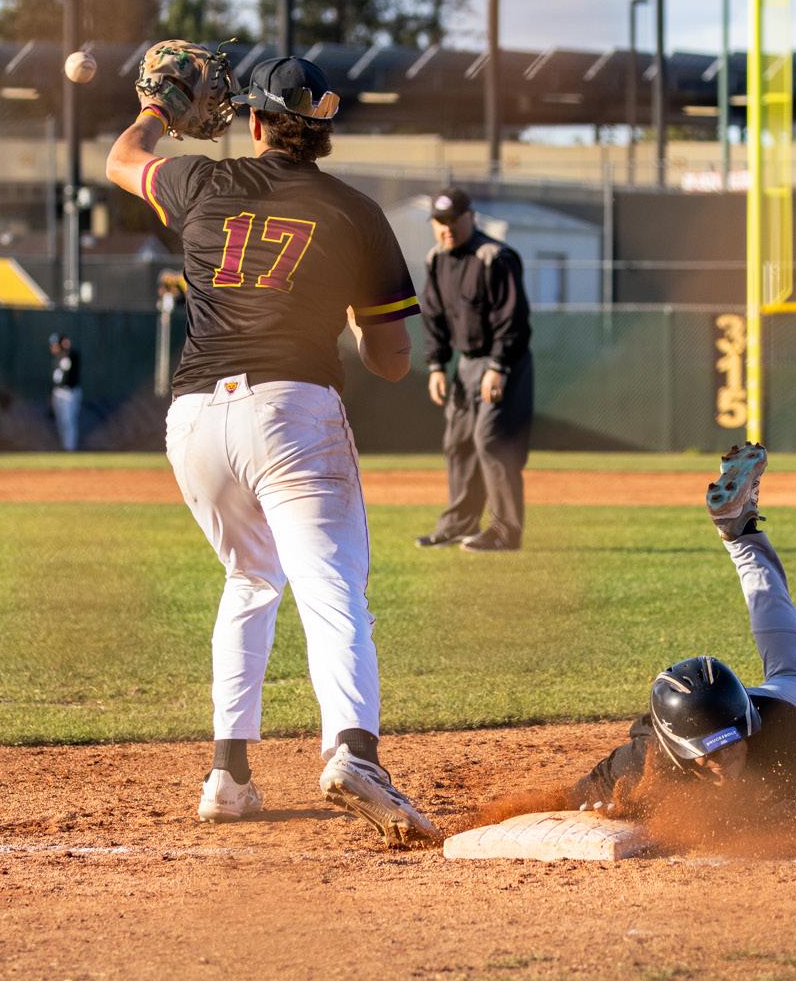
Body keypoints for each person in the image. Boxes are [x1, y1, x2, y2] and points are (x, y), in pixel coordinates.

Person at [104, 51, 441, 848]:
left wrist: (160, 108)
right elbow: (393, 362)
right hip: (293, 408)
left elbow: (121, 160)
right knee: (331, 585)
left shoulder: (200, 182)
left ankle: (228, 778)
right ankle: (354, 752)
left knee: (250, 577)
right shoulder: (355, 212)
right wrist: (353, 312)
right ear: (322, 130)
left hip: (194, 417)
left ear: (253, 120)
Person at [570, 443, 796, 816]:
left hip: (780, 705)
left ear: (746, 724)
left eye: (732, 743)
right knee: (791, 669)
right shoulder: (643, 763)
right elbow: (570, 800)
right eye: (710, 752)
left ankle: (742, 537)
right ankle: (740, 535)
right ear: (678, 749)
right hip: (742, 710)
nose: (725, 760)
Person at [415, 187, 534, 553]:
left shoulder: (494, 257)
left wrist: (498, 367)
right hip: (465, 364)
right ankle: (459, 525)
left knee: (491, 440)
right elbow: (433, 316)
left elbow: (513, 319)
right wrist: (436, 365)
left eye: (454, 220)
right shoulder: (436, 259)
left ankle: (505, 532)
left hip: (503, 362)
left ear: (471, 217)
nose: (447, 228)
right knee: (458, 442)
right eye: (440, 221)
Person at [48, 334, 82, 452]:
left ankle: (69, 448)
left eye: (55, 345)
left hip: (69, 393)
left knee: (68, 421)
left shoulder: (70, 355)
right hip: (58, 393)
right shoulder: (57, 358)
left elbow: (73, 356)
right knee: (60, 422)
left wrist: (67, 347)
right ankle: (64, 447)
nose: (53, 347)